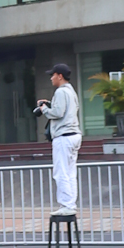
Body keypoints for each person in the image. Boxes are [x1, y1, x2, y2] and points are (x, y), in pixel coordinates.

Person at [35, 65, 82, 214]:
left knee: (61, 172)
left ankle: (66, 205)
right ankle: (71, 204)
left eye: (53, 75)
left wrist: (44, 109)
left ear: (60, 76)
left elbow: (58, 113)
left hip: (63, 136)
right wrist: (50, 103)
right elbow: (66, 110)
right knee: (70, 173)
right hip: (74, 134)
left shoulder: (61, 91)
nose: (51, 78)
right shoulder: (71, 91)